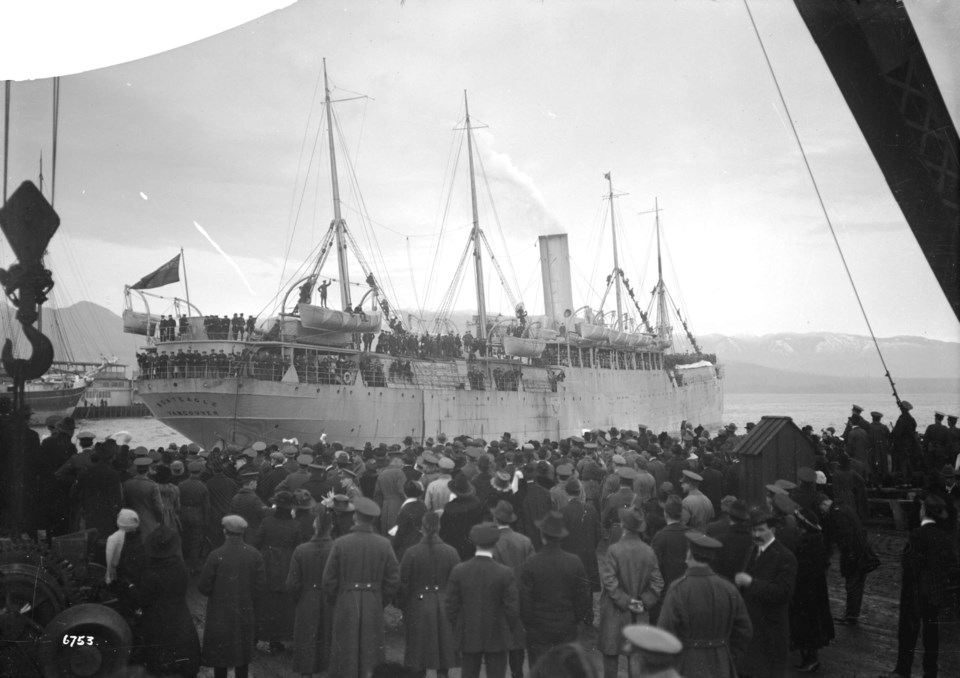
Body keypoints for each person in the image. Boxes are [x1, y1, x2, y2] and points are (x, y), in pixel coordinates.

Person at [880, 493, 960, 678]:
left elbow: (910, 564)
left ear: (925, 512)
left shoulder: (918, 535)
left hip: (915, 592)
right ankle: (930, 671)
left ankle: (903, 670)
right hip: (935, 593)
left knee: (908, 633)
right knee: (931, 634)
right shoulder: (944, 536)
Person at [322, 496, 401, 678]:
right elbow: (393, 578)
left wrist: (338, 598)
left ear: (355, 517)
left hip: (346, 598)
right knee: (371, 648)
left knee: (345, 647)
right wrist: (381, 599)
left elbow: (329, 579)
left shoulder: (340, 543)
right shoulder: (384, 544)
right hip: (373, 600)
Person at [656, 532, 752, 678]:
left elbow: (665, 633)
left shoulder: (678, 589)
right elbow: (744, 631)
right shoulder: (729, 588)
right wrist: (727, 655)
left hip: (687, 665)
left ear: (689, 555)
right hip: (722, 664)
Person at [446, 522, 520, 678]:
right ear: (494, 543)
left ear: (474, 542)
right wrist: (506, 627)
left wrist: (460, 624)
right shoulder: (504, 572)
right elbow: (512, 608)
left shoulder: (460, 570)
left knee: (469, 673)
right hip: (497, 633)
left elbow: (451, 606)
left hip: (469, 632)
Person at [597, 507, 664, 678]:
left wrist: (626, 601)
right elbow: (658, 583)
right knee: (635, 658)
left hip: (614, 612)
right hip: (639, 614)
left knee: (611, 656)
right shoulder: (649, 551)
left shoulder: (614, 550)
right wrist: (642, 601)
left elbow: (609, 581)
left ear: (623, 526)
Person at [520, 511, 593, 668]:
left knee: (539, 668)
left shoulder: (531, 563)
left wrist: (528, 623)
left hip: (538, 627)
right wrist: (577, 619)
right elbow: (584, 596)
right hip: (566, 625)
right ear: (561, 537)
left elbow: (525, 599)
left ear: (542, 535)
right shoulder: (574, 562)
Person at [198, 515, 266, 678]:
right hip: (245, 611)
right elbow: (260, 587)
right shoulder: (255, 555)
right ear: (243, 533)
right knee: (242, 655)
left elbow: (203, 587)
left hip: (219, 614)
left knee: (220, 655)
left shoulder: (215, 555)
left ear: (224, 532)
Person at [734, 507, 798, 678]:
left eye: (761, 530)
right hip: (752, 631)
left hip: (771, 633)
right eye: (754, 530)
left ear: (773, 530)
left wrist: (751, 583)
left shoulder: (785, 557)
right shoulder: (752, 550)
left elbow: (783, 592)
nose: (756, 534)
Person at [397, 511, 460, 678]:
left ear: (421, 528)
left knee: (418, 656)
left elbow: (403, 583)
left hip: (417, 606)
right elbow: (457, 584)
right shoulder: (451, 552)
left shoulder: (411, 552)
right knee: (443, 655)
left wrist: (401, 604)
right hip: (444, 606)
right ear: (439, 527)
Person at [135, 525, 201, 677]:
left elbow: (143, 599)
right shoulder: (179, 566)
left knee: (158, 657)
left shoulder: (150, 572)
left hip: (157, 619)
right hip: (179, 614)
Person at [286, 507, 335, 678]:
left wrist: (298, 599)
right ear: (331, 527)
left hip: (307, 599)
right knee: (330, 639)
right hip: (331, 600)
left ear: (315, 526)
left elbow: (292, 584)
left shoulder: (301, 550)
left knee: (306, 639)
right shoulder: (337, 548)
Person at [252, 490, 303, 654]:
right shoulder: (295, 525)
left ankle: (258, 635)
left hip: (267, 563)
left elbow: (256, 541)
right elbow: (298, 546)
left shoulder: (267, 522)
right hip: (287, 564)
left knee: (264, 600)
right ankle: (278, 639)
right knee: (283, 604)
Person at [491, 500, 535, 678]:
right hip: (520, 599)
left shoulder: (491, 541)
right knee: (517, 646)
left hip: (498, 601)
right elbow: (531, 573)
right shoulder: (525, 541)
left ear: (496, 518)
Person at [788, 509, 834, 673]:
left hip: (806, 591)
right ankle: (808, 658)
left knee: (807, 626)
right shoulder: (816, 540)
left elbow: (803, 568)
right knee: (811, 625)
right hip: (813, 590)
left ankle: (810, 659)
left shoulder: (807, 542)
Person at [819, 494, 873, 626]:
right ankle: (852, 614)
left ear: (824, 504)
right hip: (859, 551)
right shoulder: (844, 507)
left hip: (853, 553)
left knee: (853, 585)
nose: (822, 512)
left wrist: (846, 553)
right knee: (856, 584)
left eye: (822, 509)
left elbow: (845, 535)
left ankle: (851, 616)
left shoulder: (837, 513)